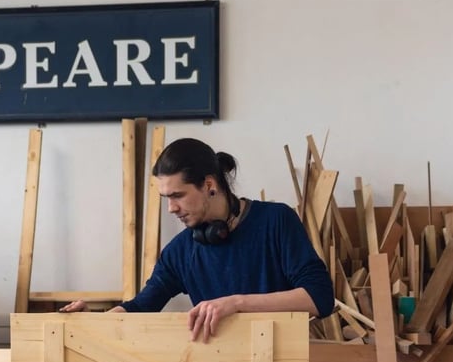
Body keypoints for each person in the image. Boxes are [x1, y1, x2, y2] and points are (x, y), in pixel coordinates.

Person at [61, 137, 334, 342]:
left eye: (178, 196)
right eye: (166, 198)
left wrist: (235, 304)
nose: (171, 208)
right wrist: (91, 322)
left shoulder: (276, 222)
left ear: (209, 185)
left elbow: (320, 298)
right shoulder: (180, 252)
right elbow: (140, 308)